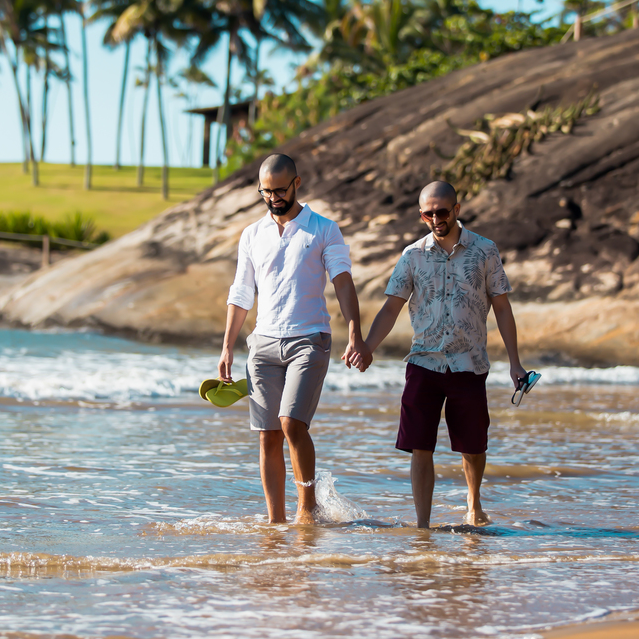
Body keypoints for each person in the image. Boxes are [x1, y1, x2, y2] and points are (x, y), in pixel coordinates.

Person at [362, 181, 527, 529]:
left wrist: (515, 362)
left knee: (473, 444)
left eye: (441, 211)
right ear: (421, 214)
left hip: (469, 362)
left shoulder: (485, 250)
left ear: (457, 209)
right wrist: (367, 347)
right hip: (423, 362)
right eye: (428, 213)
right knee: (420, 446)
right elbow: (391, 308)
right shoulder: (412, 256)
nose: (435, 218)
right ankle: (423, 524)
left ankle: (474, 500)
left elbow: (502, 307)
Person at [218, 153, 368, 525]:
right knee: (268, 435)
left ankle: (307, 508)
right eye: (265, 191)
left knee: (291, 423)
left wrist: (354, 330)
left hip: (309, 340)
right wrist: (226, 347)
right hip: (263, 344)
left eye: (279, 190)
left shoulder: (323, 229)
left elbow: (343, 281)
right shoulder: (252, 234)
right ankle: (275, 522)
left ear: (297, 183)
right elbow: (241, 291)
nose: (272, 198)